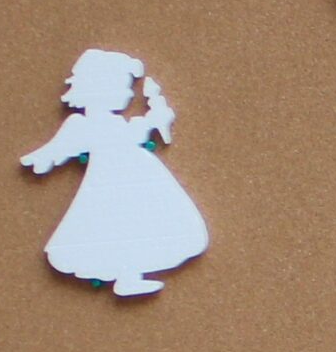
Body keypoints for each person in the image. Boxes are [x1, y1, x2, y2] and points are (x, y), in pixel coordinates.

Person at [22, 48, 208, 297]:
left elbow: (133, 133)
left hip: (138, 182)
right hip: (108, 186)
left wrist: (155, 118)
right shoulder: (82, 125)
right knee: (113, 228)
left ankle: (131, 277)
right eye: (122, 87)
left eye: (129, 88)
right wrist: (41, 158)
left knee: (141, 224)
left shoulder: (116, 122)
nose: (129, 94)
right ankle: (127, 277)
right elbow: (61, 147)